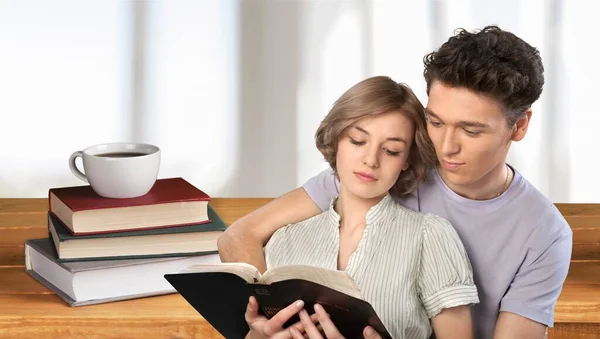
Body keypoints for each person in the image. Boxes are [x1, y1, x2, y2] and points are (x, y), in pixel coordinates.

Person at [220, 26, 573, 339]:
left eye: (470, 130)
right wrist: (273, 320)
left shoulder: (544, 234)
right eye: (435, 122)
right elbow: (241, 236)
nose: (446, 147)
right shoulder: (387, 168)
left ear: (519, 125)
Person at [247, 76, 479, 339]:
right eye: (358, 141)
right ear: (335, 139)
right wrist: (260, 334)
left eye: (391, 150)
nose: (371, 160)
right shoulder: (285, 240)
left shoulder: (430, 236)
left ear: (406, 160)